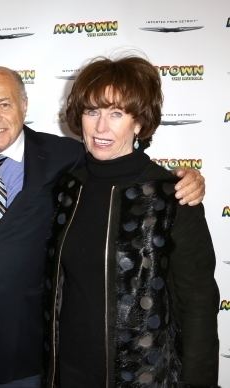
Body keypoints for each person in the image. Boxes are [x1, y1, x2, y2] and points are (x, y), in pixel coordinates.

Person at [0, 66, 206, 388]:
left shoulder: (64, 156)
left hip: (31, 345)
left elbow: (122, 165)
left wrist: (187, 179)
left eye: (4, 104)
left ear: (24, 105)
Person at [44, 56, 219, 387]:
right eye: (92, 111)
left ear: (138, 122)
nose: (101, 127)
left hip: (143, 376)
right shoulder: (67, 187)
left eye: (116, 114)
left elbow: (198, 305)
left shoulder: (171, 195)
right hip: (68, 372)